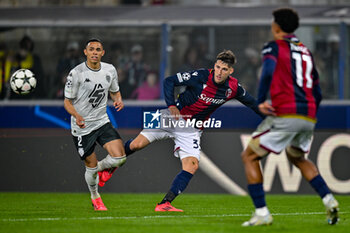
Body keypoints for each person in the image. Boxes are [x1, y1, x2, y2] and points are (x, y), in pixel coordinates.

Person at [104, 50, 264, 212]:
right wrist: (171, 105)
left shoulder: (234, 87)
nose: (219, 72)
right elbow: (169, 81)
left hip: (191, 128)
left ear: (230, 71)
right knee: (137, 144)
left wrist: (270, 118)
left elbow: (253, 104)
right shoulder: (201, 75)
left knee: (192, 165)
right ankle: (110, 166)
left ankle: (164, 204)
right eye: (217, 67)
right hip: (171, 116)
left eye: (224, 69)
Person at [240, 8, 339, 226]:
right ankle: (329, 200)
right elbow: (318, 89)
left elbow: (267, 70)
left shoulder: (273, 46)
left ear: (276, 26)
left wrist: (260, 100)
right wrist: (310, 111)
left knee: (249, 156)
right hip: (309, 114)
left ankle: (262, 213)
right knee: (298, 157)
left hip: (286, 112)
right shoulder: (306, 51)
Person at [64, 38, 126, 211]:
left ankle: (98, 168)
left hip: (101, 121)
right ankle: (95, 197)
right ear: (85, 52)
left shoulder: (109, 69)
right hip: (82, 127)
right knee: (90, 166)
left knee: (120, 158)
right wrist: (76, 115)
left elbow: (115, 91)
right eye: (91, 49)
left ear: (102, 52)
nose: (94, 52)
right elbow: (67, 102)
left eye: (98, 49)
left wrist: (118, 100)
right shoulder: (76, 73)